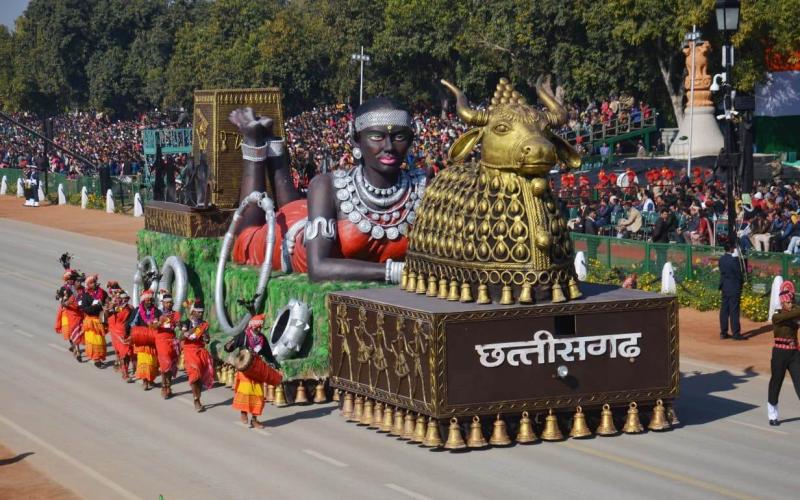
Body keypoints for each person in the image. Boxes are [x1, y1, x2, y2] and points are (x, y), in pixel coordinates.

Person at [230, 98, 430, 283]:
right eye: (377, 136)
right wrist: (399, 272)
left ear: (411, 140)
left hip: (306, 213)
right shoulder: (328, 185)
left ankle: (274, 145)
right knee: (245, 241)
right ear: (356, 141)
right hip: (291, 245)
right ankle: (254, 141)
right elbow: (318, 268)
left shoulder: (424, 186)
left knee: (292, 207)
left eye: (399, 136)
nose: (389, 147)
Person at [224, 315, 280, 429]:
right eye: (257, 327)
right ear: (252, 326)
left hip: (257, 369)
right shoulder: (243, 336)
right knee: (246, 391)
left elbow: (268, 355)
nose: (259, 329)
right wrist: (228, 346)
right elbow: (229, 347)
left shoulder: (262, 339)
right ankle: (243, 412)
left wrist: (275, 365)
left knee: (259, 395)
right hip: (245, 370)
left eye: (260, 327)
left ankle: (254, 420)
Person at [767, 281, 800, 426]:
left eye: (792, 301)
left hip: (794, 353)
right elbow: (788, 315)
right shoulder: (777, 315)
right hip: (780, 353)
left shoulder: (795, 313)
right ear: (782, 303)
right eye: (788, 302)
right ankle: (772, 414)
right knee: (776, 382)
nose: (790, 304)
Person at [180, 300, 215, 412]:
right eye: (198, 312)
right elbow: (181, 337)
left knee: (199, 378)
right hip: (189, 351)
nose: (201, 314)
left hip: (200, 351)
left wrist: (206, 338)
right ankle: (196, 399)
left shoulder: (203, 324)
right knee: (194, 375)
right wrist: (188, 332)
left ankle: (198, 397)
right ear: (193, 312)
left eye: (202, 312)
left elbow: (207, 339)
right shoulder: (186, 322)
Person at [131, 290, 160, 390]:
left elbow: (159, 322)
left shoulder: (156, 310)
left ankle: (151, 379)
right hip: (142, 340)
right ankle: (145, 381)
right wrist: (132, 334)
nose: (149, 302)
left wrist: (156, 324)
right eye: (147, 300)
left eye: (150, 300)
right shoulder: (138, 310)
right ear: (143, 301)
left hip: (152, 340)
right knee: (144, 361)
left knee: (153, 361)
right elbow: (132, 323)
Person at [78, 274, 108, 368]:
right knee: (93, 340)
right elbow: (84, 309)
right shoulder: (85, 296)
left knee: (100, 340)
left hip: (100, 318)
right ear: (87, 285)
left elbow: (106, 303)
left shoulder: (102, 292)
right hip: (90, 321)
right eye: (91, 283)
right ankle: (96, 359)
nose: (93, 284)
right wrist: (95, 306)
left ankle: (99, 357)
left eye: (94, 282)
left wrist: (107, 306)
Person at [155, 292, 180, 399]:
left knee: (171, 366)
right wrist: (158, 323)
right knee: (165, 364)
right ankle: (164, 386)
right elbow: (152, 326)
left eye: (170, 302)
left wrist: (181, 326)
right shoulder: (158, 313)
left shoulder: (176, 314)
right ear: (163, 303)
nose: (169, 304)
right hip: (161, 340)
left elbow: (179, 324)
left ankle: (168, 385)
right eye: (167, 303)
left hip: (172, 341)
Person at [718, 242, 745, 340]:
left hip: (725, 286)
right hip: (733, 287)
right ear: (731, 249)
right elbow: (738, 274)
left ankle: (723, 332)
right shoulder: (734, 260)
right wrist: (742, 283)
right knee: (734, 310)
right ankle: (736, 333)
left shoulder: (721, 259)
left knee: (724, 310)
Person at [107, 291, 134, 382]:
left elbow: (133, 320)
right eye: (122, 298)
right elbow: (105, 316)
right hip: (116, 332)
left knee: (126, 353)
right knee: (121, 352)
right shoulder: (114, 307)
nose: (124, 300)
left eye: (126, 298)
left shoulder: (130, 308)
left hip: (126, 332)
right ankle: (125, 373)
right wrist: (110, 308)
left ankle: (123, 369)